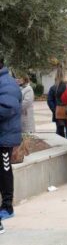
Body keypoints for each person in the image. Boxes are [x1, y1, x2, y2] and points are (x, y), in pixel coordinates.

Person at [0, 57, 22, 231]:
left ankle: (7, 206)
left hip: (4, 138)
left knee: (5, 171)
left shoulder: (7, 84)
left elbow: (7, 109)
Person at [47, 67, 67, 140]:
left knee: (59, 131)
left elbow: (49, 100)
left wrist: (54, 109)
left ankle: (61, 144)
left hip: (58, 112)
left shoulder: (54, 87)